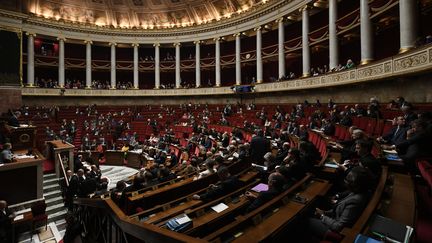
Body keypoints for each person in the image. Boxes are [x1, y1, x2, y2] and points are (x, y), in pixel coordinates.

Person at [306, 166, 373, 240]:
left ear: (357, 185)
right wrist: (325, 212)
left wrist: (322, 216)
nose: (345, 182)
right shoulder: (359, 192)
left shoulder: (356, 200)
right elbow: (339, 211)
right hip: (334, 219)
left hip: (337, 231)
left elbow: (338, 226)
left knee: (306, 220)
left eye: (348, 180)